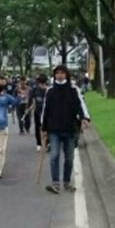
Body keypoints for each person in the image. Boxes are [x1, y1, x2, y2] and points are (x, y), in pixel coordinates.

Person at [41, 65, 91, 194]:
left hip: (70, 129)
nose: (60, 75)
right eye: (57, 73)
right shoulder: (50, 91)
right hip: (54, 129)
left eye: (62, 73)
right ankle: (55, 183)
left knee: (69, 158)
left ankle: (67, 182)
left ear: (66, 74)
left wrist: (85, 118)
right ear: (54, 75)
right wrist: (44, 127)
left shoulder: (74, 89)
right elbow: (45, 110)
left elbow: (81, 105)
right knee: (54, 156)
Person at [29, 74, 49, 151]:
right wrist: (29, 107)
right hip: (38, 111)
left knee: (45, 128)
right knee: (38, 127)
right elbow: (31, 99)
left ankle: (45, 143)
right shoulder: (35, 89)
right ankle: (39, 143)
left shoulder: (48, 89)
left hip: (46, 112)